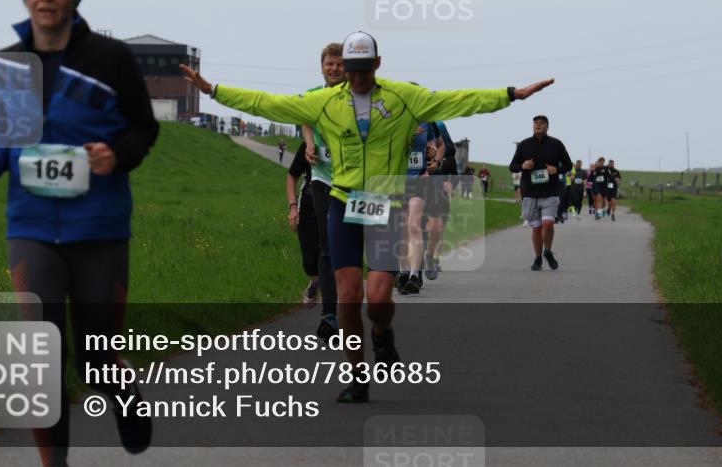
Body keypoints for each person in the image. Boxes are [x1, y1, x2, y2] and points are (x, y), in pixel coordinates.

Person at [181, 30, 552, 402]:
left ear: (378, 64)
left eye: (362, 69)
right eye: (350, 69)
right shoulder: (324, 102)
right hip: (343, 203)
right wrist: (214, 90)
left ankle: (382, 336)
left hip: (386, 203)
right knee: (347, 295)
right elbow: (266, 103)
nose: (356, 78)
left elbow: (458, 101)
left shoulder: (404, 98)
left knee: (377, 300)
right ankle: (357, 377)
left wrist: (509, 95)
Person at [0, 0, 159, 467]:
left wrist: (114, 155)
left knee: (95, 356)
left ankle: (122, 396)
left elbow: (144, 130)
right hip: (29, 225)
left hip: (99, 227)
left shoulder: (111, 58)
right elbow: (4, 140)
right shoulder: (8, 65)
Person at [301, 43, 345, 338]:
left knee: (349, 244)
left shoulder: (357, 97)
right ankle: (329, 314)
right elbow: (305, 118)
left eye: (340, 64)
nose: (334, 69)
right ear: (321, 66)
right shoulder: (313, 96)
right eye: (329, 64)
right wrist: (309, 143)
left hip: (353, 180)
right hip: (321, 177)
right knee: (327, 245)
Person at [509, 115, 572, 271]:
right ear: (533, 126)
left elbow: (568, 165)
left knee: (548, 223)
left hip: (550, 192)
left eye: (541, 123)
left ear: (547, 126)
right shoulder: (524, 145)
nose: (538, 125)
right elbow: (512, 166)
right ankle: (538, 258)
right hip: (529, 192)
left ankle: (548, 251)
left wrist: (556, 169)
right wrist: (523, 165)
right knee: (536, 228)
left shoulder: (556, 144)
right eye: (535, 123)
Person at [398, 122, 440, 295]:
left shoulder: (426, 119)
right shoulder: (393, 113)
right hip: (396, 180)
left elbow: (433, 144)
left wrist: (432, 151)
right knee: (401, 230)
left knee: (414, 226)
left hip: (420, 179)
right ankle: (403, 272)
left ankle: (414, 276)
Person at [286, 141, 320, 306]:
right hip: (308, 206)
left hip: (335, 206)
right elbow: (292, 176)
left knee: (332, 261)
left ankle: (329, 313)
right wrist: (293, 207)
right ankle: (315, 282)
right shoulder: (309, 144)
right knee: (310, 263)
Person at [424, 120, 457, 281]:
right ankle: (407, 272)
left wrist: (451, 183)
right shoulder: (416, 144)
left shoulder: (449, 154)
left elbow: (455, 176)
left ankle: (432, 257)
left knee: (436, 228)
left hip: (439, 193)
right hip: (416, 187)